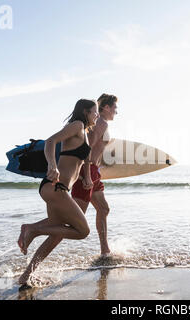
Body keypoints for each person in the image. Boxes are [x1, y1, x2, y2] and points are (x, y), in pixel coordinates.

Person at [16, 98, 99, 287]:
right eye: (94, 112)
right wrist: (52, 166)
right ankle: (32, 229)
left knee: (56, 233)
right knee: (82, 231)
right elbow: (51, 141)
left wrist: (87, 177)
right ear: (86, 112)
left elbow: (84, 160)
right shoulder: (77, 125)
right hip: (55, 187)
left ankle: (26, 275)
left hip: (59, 189)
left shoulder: (85, 132)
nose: (97, 115)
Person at [72, 93, 118, 257]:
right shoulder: (101, 123)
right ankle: (32, 230)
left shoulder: (101, 122)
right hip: (88, 171)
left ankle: (105, 250)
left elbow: (94, 147)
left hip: (93, 170)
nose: (116, 111)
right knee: (73, 222)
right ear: (106, 107)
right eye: (114, 108)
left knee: (103, 209)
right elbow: (87, 147)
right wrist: (85, 175)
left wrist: (100, 164)